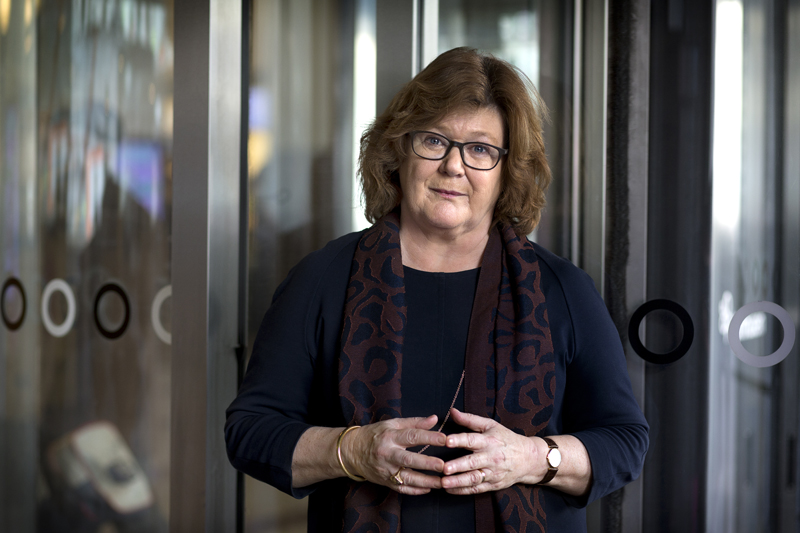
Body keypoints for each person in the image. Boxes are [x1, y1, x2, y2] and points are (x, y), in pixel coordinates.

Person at [225, 47, 648, 533]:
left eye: (480, 149)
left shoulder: (563, 290)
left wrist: (532, 457)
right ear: (398, 150)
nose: (453, 166)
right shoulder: (322, 279)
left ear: (507, 170)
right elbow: (251, 432)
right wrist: (353, 450)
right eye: (434, 140)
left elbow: (625, 442)